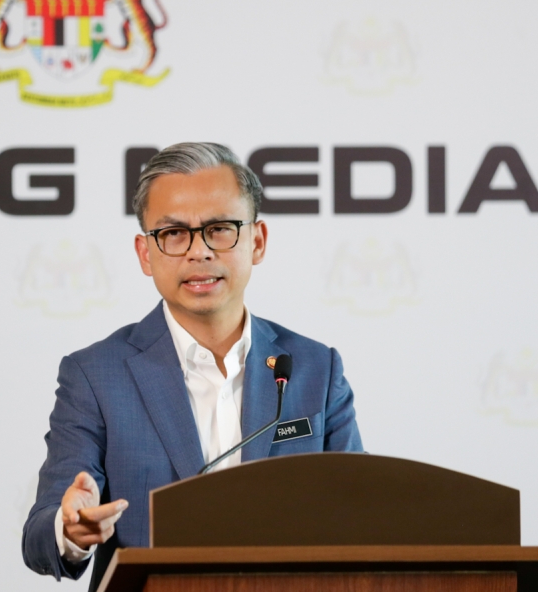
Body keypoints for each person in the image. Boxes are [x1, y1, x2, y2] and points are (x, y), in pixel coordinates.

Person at [21, 142, 363, 590]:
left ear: (256, 241)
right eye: (174, 233)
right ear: (146, 253)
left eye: (220, 229)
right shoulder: (96, 376)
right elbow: (39, 539)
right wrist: (71, 530)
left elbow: (362, 516)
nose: (198, 252)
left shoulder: (316, 369)